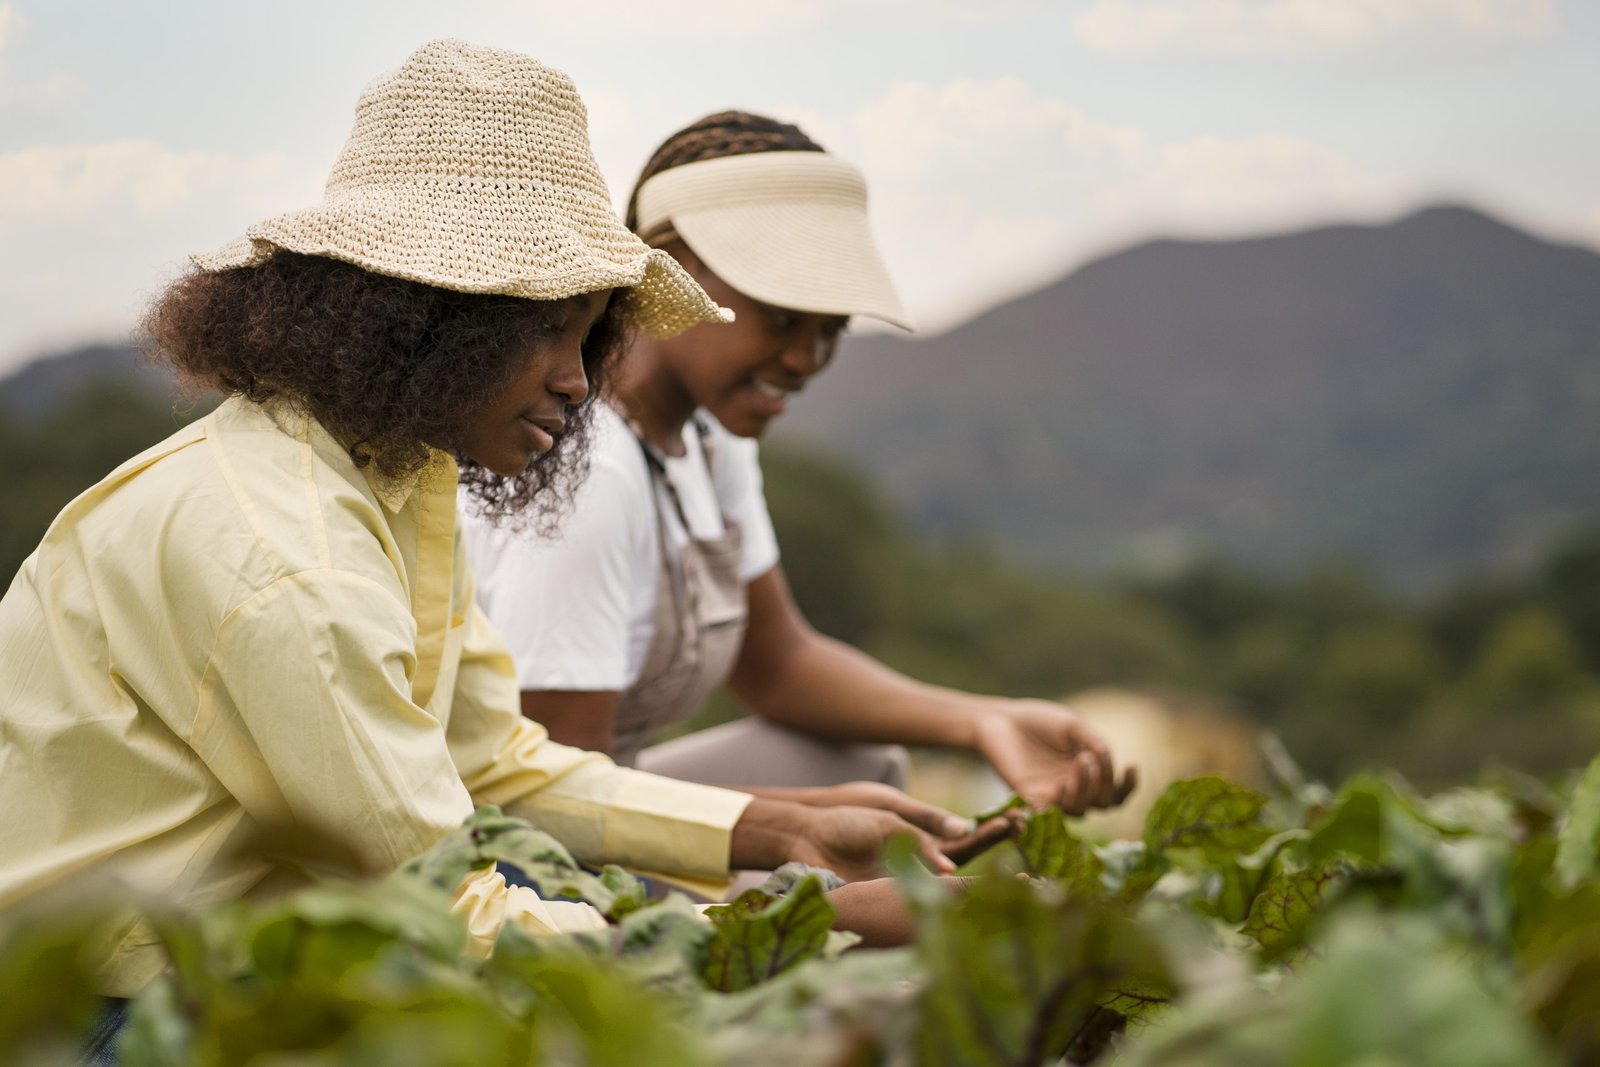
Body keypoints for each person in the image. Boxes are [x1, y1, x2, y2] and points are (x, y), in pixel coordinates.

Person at [0, 44, 965, 1034]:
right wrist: (790, 935)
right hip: (99, 1009)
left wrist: (774, 829)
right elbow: (445, 903)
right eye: (544, 330)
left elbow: (490, 758)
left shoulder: (398, 474)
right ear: (421, 317)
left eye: (586, 333)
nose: (577, 380)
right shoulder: (285, 557)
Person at [464, 112, 1137, 821]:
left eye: (832, 330)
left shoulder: (709, 440)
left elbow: (776, 662)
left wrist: (985, 723)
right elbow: (556, 803)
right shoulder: (593, 475)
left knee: (863, 759)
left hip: (601, 801)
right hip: (519, 846)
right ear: (678, 269)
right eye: (784, 319)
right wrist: (806, 821)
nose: (807, 361)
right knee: (854, 827)